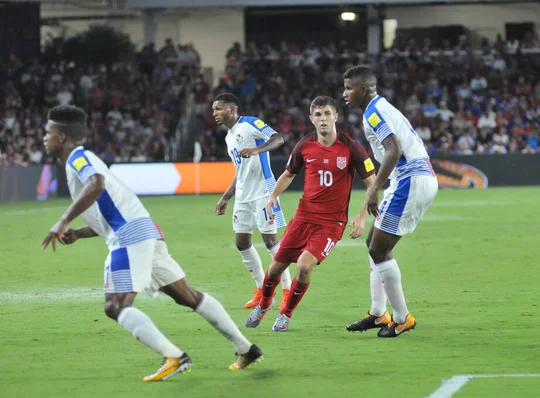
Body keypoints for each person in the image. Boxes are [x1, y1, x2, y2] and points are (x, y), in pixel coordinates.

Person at [40, 105, 263, 382]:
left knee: (115, 307)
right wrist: (78, 232)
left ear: (61, 137)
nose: (44, 138)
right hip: (144, 231)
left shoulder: (78, 158)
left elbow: (96, 184)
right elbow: (111, 210)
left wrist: (61, 220)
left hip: (129, 237)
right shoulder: (87, 160)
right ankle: (246, 349)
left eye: (47, 133)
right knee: (188, 296)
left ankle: (173, 356)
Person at [245, 96, 376, 332]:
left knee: (304, 266)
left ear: (335, 117)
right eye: (318, 114)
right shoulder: (304, 145)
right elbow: (288, 174)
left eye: (327, 113)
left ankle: (285, 314)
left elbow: (372, 183)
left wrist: (362, 215)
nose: (323, 118)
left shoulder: (351, 147)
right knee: (275, 268)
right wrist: (272, 196)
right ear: (311, 119)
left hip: (331, 223)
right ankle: (264, 304)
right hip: (303, 217)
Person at [343, 65, 438, 338]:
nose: (345, 94)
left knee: (379, 249)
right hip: (410, 178)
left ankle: (401, 318)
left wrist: (374, 190)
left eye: (348, 88)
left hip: (410, 179)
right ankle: (377, 312)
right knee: (373, 243)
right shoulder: (381, 107)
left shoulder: (374, 112)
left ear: (362, 90)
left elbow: (394, 150)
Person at [212, 93, 292, 310]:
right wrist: (226, 197)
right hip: (242, 195)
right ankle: (261, 291)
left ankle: (287, 291)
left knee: (271, 242)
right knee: (242, 242)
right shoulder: (229, 137)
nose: (215, 114)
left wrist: (257, 149)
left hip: (263, 192)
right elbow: (240, 171)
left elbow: (278, 138)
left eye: (218, 109)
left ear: (232, 109)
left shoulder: (250, 123)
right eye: (213, 110)